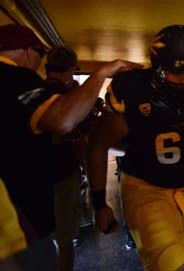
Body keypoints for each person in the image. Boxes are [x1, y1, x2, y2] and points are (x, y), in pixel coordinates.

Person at [87, 24, 184, 271]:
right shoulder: (134, 90)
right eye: (178, 73)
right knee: (173, 264)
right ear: (157, 69)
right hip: (146, 189)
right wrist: (99, 204)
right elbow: (97, 145)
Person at [0, 23, 138, 271]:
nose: (37, 63)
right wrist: (101, 73)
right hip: (24, 207)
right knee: (56, 245)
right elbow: (65, 124)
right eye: (38, 55)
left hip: (14, 200)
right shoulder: (17, 78)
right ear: (26, 50)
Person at [44, 46, 88, 271]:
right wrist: (87, 169)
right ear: (71, 69)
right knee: (65, 238)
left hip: (31, 174)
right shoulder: (68, 98)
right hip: (62, 172)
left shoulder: (34, 91)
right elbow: (75, 139)